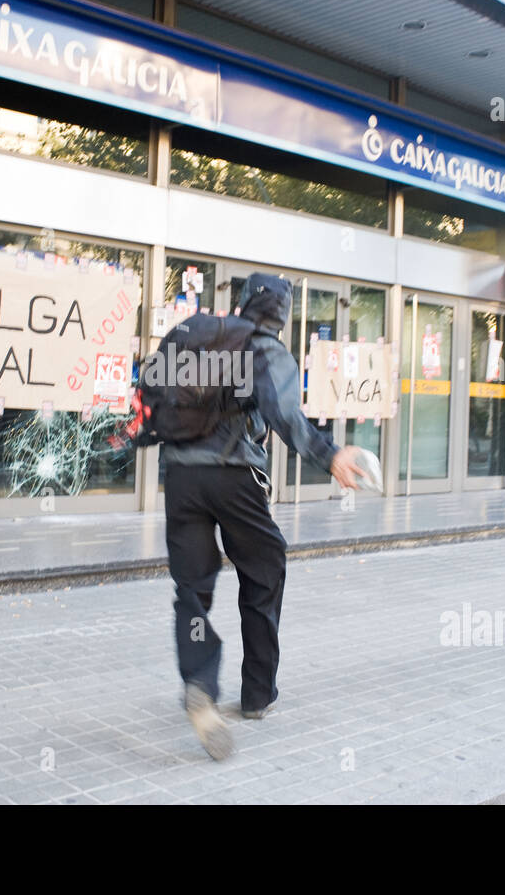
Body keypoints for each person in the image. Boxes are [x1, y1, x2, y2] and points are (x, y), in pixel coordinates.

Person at [160, 273, 366, 760]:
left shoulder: (199, 339)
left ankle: (200, 685)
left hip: (182, 479)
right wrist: (330, 454)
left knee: (191, 588)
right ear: (282, 313)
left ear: (241, 303)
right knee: (264, 569)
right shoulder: (263, 348)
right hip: (234, 478)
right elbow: (283, 414)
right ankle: (257, 693)